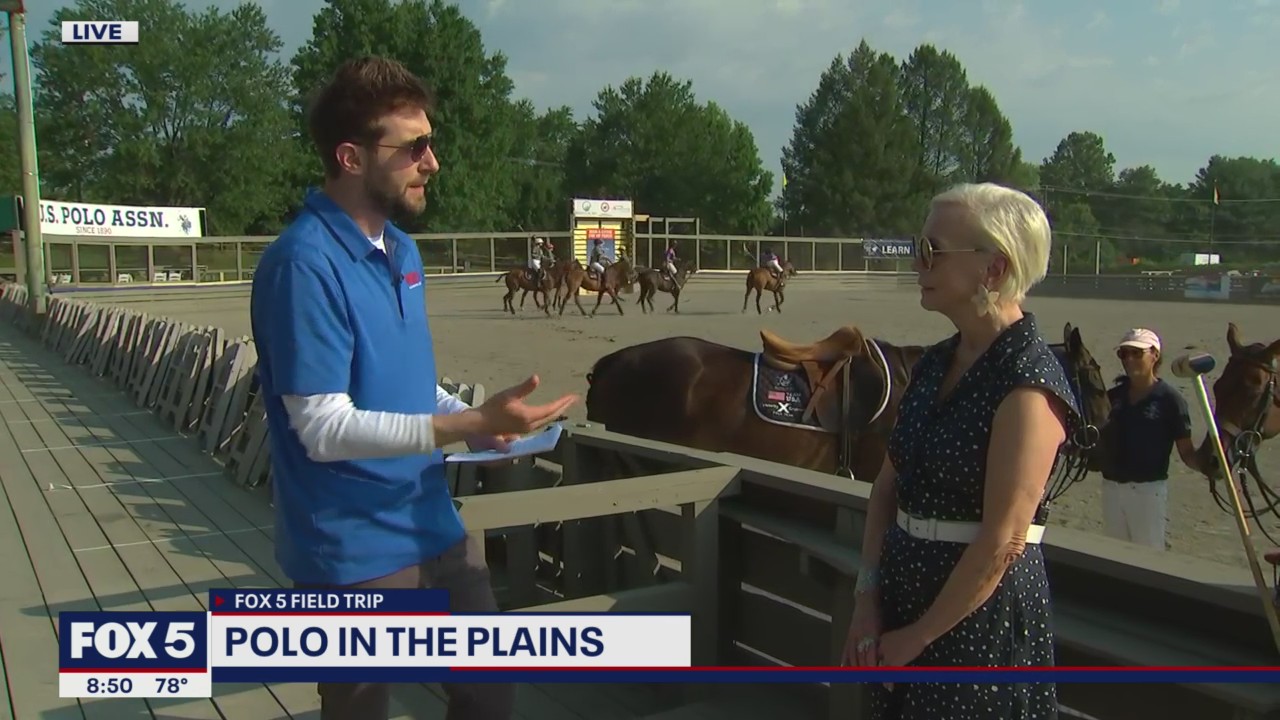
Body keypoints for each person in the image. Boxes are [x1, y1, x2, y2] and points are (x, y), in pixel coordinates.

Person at [249, 56, 577, 720]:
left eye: (431, 143)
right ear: (350, 157)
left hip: (432, 523)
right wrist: (461, 428)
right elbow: (321, 427)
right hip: (350, 547)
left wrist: (478, 419)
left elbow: (405, 384)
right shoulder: (301, 263)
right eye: (414, 147)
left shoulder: (403, 251)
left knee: (490, 689)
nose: (433, 161)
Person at [842, 182, 1083, 719]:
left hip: (977, 632)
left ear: (993, 270)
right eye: (916, 248)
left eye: (931, 251)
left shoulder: (1028, 385)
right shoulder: (933, 364)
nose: (917, 263)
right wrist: (867, 598)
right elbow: (888, 485)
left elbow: (1002, 541)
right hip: (898, 611)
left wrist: (917, 638)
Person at [1097, 328, 1199, 550]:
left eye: (1136, 353)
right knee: (1112, 555)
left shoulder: (1170, 400)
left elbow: (1188, 453)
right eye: (1124, 354)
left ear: (1155, 355)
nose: (1129, 360)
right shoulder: (1113, 397)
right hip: (1112, 488)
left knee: (1148, 556)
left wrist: (1213, 464)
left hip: (1147, 492)